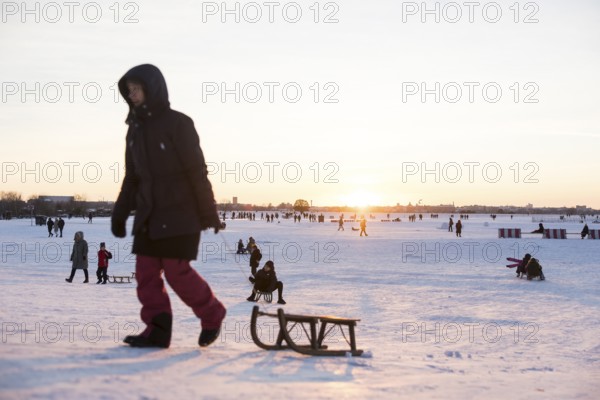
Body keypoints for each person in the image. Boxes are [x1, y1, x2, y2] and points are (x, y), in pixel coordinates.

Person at [111, 64, 226, 349]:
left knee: (177, 272)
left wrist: (208, 211)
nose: (132, 94)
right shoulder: (134, 130)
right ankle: (158, 329)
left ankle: (212, 314)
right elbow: (132, 176)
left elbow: (196, 170)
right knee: (145, 274)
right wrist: (120, 211)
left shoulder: (179, 123)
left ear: (152, 89)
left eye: (136, 88)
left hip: (180, 213)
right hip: (150, 214)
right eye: (128, 91)